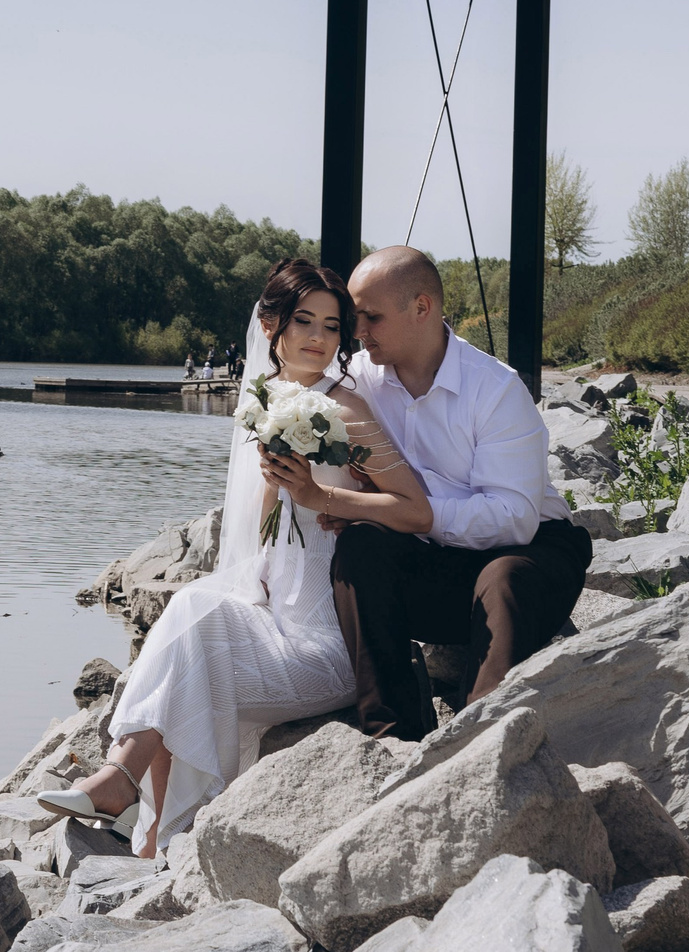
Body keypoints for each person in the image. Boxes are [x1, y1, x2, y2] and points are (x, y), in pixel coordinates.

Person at [36, 259, 424, 856]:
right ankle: (151, 831)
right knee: (198, 605)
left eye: (331, 324)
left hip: (333, 642)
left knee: (197, 617)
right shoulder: (262, 405)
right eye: (304, 321)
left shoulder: (345, 410)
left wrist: (327, 497)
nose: (319, 338)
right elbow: (256, 543)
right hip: (274, 616)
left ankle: (129, 792)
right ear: (270, 325)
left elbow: (415, 509)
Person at [296, 245, 591, 741]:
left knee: (503, 578)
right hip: (434, 567)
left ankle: (477, 740)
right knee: (361, 549)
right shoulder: (359, 383)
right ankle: (391, 737)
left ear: (422, 308)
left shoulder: (495, 389)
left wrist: (411, 512)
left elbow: (513, 518)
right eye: (354, 318)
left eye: (371, 317)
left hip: (528, 556)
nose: (358, 332)